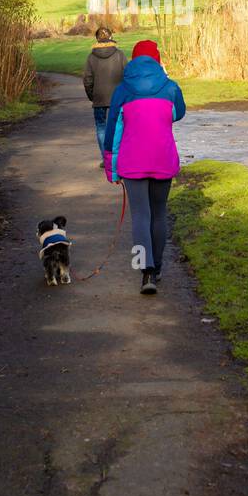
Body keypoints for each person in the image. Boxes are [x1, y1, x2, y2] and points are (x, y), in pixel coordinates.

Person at [102, 40, 186, 296]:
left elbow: (112, 132)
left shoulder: (122, 90)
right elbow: (178, 113)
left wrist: (111, 168)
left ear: (132, 61)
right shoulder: (170, 88)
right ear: (158, 60)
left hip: (132, 161)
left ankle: (146, 271)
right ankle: (158, 268)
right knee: (159, 213)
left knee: (141, 215)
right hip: (163, 158)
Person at [82, 26, 127, 163]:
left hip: (99, 98)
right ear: (111, 37)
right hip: (118, 98)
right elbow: (127, 76)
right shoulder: (120, 55)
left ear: (96, 39)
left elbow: (87, 80)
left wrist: (92, 96)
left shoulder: (91, 57)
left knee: (101, 127)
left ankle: (106, 159)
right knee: (119, 126)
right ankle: (119, 157)